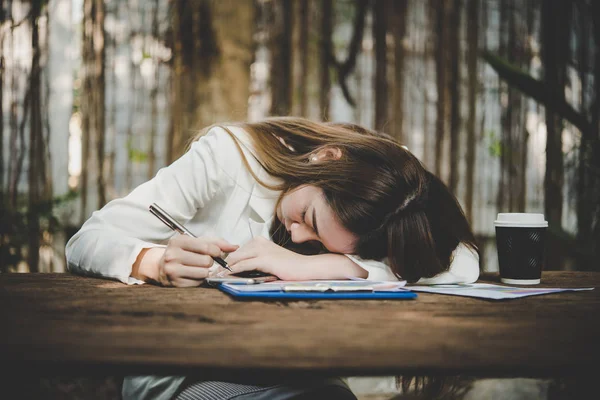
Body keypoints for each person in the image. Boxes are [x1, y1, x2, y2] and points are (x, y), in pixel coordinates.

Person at [65, 116, 480, 400]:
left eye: (320, 240)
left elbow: (460, 262)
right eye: (307, 217)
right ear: (325, 157)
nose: (299, 235)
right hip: (191, 370)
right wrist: (153, 262)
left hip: (304, 372)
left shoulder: (388, 188)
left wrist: (316, 265)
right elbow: (87, 240)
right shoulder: (228, 157)